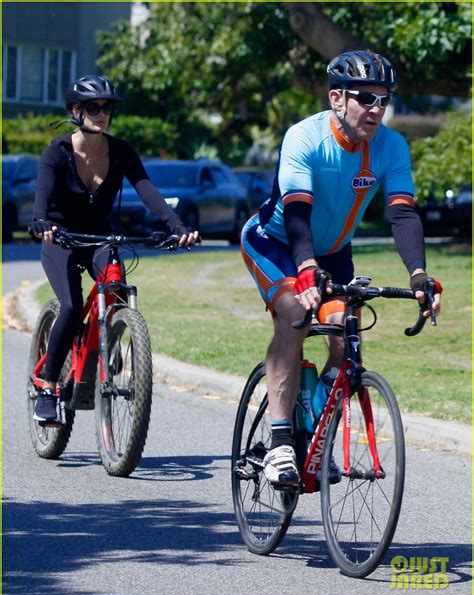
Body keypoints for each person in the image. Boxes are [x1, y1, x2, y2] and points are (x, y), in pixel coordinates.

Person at [240, 50, 442, 486]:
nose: (376, 109)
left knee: (344, 333)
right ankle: (278, 444)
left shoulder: (391, 146)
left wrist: (419, 275)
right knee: (294, 316)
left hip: (333, 253)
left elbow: (403, 214)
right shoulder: (304, 137)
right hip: (276, 243)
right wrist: (306, 267)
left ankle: (316, 431)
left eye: (383, 99)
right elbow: (296, 211)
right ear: (337, 98)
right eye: (366, 98)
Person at [31, 74, 199, 424]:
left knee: (116, 281)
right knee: (72, 305)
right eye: (93, 107)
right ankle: (47, 385)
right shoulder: (57, 152)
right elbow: (41, 201)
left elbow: (148, 191)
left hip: (99, 236)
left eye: (107, 107)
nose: (102, 113)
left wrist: (177, 227)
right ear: (75, 111)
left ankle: (109, 339)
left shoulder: (121, 152)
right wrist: (41, 223)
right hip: (61, 238)